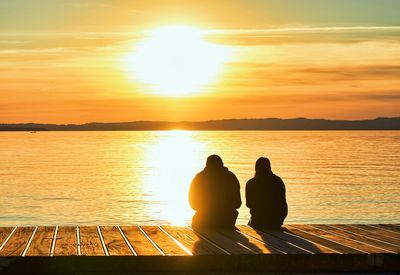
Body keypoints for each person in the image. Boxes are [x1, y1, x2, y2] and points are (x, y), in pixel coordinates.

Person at [189, 155, 241, 229]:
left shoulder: (199, 177)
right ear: (222, 164)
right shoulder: (231, 177)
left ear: (207, 164)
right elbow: (237, 203)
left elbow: (193, 204)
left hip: (203, 221)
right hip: (227, 221)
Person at [246, 157, 288, 229]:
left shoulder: (251, 183)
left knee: (250, 224)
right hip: (277, 219)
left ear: (256, 168)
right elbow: (282, 201)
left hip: (259, 220)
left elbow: (249, 204)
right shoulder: (278, 181)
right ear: (269, 167)